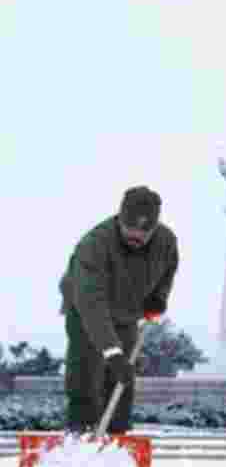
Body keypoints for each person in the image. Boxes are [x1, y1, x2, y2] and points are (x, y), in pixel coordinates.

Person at [59, 186, 179, 435]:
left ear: (154, 227)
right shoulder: (94, 245)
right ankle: (81, 430)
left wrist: (158, 297)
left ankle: (117, 433)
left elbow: (168, 270)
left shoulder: (166, 242)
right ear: (120, 218)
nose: (136, 234)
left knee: (123, 377)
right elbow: (91, 304)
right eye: (130, 227)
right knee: (87, 370)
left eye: (144, 231)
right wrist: (111, 351)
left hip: (127, 313)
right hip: (85, 313)